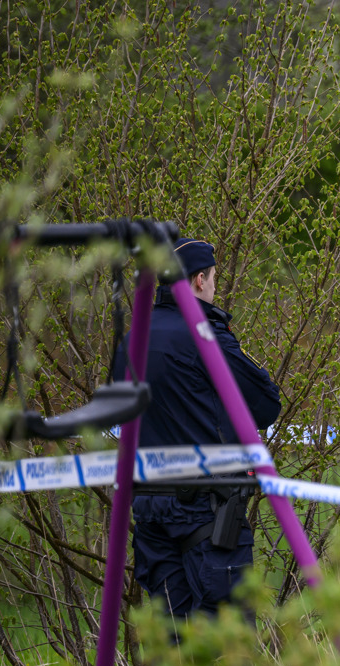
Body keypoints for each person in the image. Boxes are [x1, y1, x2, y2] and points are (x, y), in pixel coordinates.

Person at [112, 237, 281, 633]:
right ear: (201, 279)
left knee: (172, 643)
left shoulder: (130, 341)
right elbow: (265, 405)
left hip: (150, 510)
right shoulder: (206, 337)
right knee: (227, 642)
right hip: (208, 513)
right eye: (214, 279)